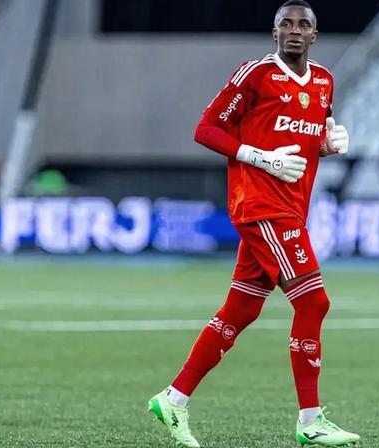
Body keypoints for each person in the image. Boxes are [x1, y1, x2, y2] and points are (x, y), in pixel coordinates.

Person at [147, 1, 359, 447]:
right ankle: (310, 420)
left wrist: (326, 145)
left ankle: (173, 398)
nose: (295, 30)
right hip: (260, 206)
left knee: (241, 310)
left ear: (315, 35)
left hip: (290, 208)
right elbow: (206, 129)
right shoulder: (256, 74)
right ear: (274, 32)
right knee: (313, 302)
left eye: (303, 24)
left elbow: (300, 141)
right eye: (286, 24)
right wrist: (257, 157)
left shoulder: (324, 80)